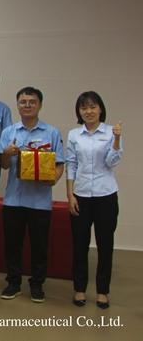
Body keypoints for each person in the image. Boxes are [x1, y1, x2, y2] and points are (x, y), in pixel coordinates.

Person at [0, 86, 64, 303]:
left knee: (39, 246)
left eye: (32, 102)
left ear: (40, 105)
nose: (27, 105)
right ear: (17, 105)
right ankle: (13, 282)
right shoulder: (9, 132)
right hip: (13, 199)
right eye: (23, 102)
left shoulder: (52, 132)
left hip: (40, 201)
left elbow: (59, 164)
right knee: (12, 245)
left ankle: (37, 284)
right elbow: (4, 165)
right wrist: (6, 153)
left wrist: (52, 178)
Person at [66, 91, 122, 309]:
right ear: (79, 111)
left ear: (100, 109)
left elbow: (112, 162)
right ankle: (79, 288)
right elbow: (71, 164)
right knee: (79, 244)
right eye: (84, 107)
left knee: (105, 244)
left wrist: (116, 140)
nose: (88, 111)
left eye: (92, 107)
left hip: (105, 194)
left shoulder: (110, 132)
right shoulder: (74, 134)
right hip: (80, 195)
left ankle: (102, 291)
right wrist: (70, 194)